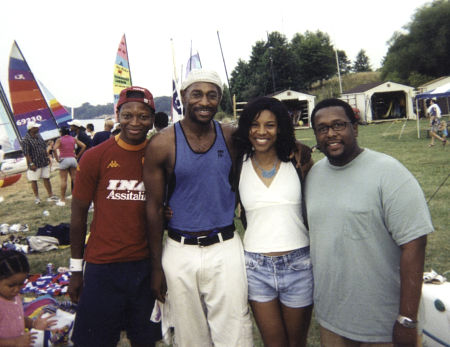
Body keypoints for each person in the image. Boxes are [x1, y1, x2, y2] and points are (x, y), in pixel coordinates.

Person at [305, 98, 433, 346]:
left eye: (339, 125)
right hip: (331, 319)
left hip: (382, 324)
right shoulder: (313, 176)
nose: (331, 133)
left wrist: (407, 319)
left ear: (355, 128)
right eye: (322, 128)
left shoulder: (390, 173)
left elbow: (414, 245)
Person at [144, 69, 253, 347]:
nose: (205, 102)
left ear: (219, 99)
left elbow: (270, 140)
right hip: (180, 250)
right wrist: (156, 267)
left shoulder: (231, 137)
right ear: (183, 97)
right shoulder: (162, 143)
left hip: (225, 246)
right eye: (197, 94)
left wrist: (298, 146)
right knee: (189, 335)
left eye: (212, 95)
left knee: (235, 332)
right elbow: (154, 208)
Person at [68, 86, 161, 347]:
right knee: (94, 341)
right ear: (117, 115)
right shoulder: (95, 156)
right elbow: (77, 216)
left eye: (143, 116)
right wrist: (77, 270)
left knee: (145, 339)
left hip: (143, 266)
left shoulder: (161, 155)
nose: (135, 122)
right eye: (127, 115)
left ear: (152, 118)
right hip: (102, 265)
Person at [232, 96, 314, 347]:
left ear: (280, 128)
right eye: (254, 125)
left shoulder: (299, 161)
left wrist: (300, 146)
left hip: (299, 264)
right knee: (274, 343)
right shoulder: (237, 165)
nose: (261, 132)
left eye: (270, 125)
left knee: (296, 343)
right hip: (256, 268)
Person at [0, 250, 57, 346]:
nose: (17, 289)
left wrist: (33, 323)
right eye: (11, 285)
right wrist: (15, 342)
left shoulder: (14, 296)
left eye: (21, 283)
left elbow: (16, 318)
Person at [21, 121, 59, 205]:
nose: (38, 128)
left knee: (46, 178)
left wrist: (47, 156)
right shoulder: (25, 140)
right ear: (31, 129)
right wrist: (31, 164)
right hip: (34, 163)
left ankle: (50, 195)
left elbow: (43, 146)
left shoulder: (39, 135)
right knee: (34, 180)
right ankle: (37, 198)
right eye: (36, 127)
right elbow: (26, 153)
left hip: (43, 161)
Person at [53, 127, 86, 207]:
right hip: (73, 159)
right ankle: (77, 197)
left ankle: (62, 200)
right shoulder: (73, 138)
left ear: (61, 132)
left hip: (64, 159)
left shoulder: (59, 139)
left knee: (63, 180)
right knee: (74, 179)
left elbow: (54, 149)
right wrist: (77, 155)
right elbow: (84, 146)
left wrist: (57, 159)